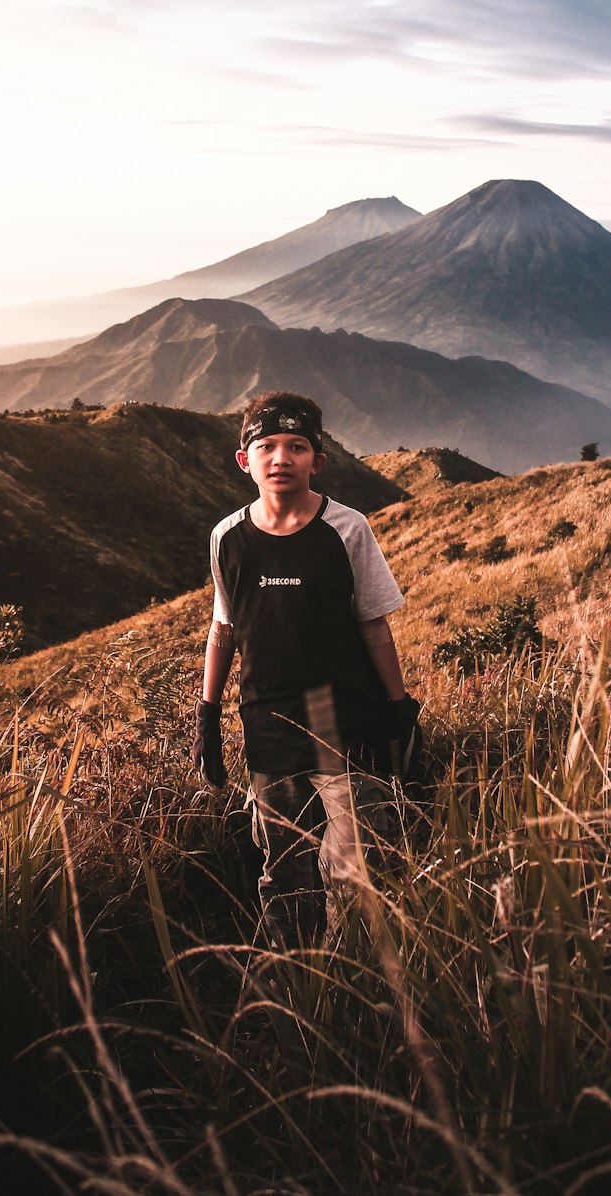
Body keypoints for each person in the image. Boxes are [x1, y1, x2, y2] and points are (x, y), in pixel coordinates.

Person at [191, 390, 419, 952]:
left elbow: (373, 627)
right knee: (284, 871)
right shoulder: (228, 539)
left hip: (347, 727)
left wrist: (399, 712)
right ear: (244, 460)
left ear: (318, 459)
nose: (281, 458)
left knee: (357, 868)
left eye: (297, 446)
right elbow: (223, 629)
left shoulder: (347, 530)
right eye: (266, 446)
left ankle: (357, 988)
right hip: (269, 732)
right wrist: (207, 715)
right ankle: (296, 989)